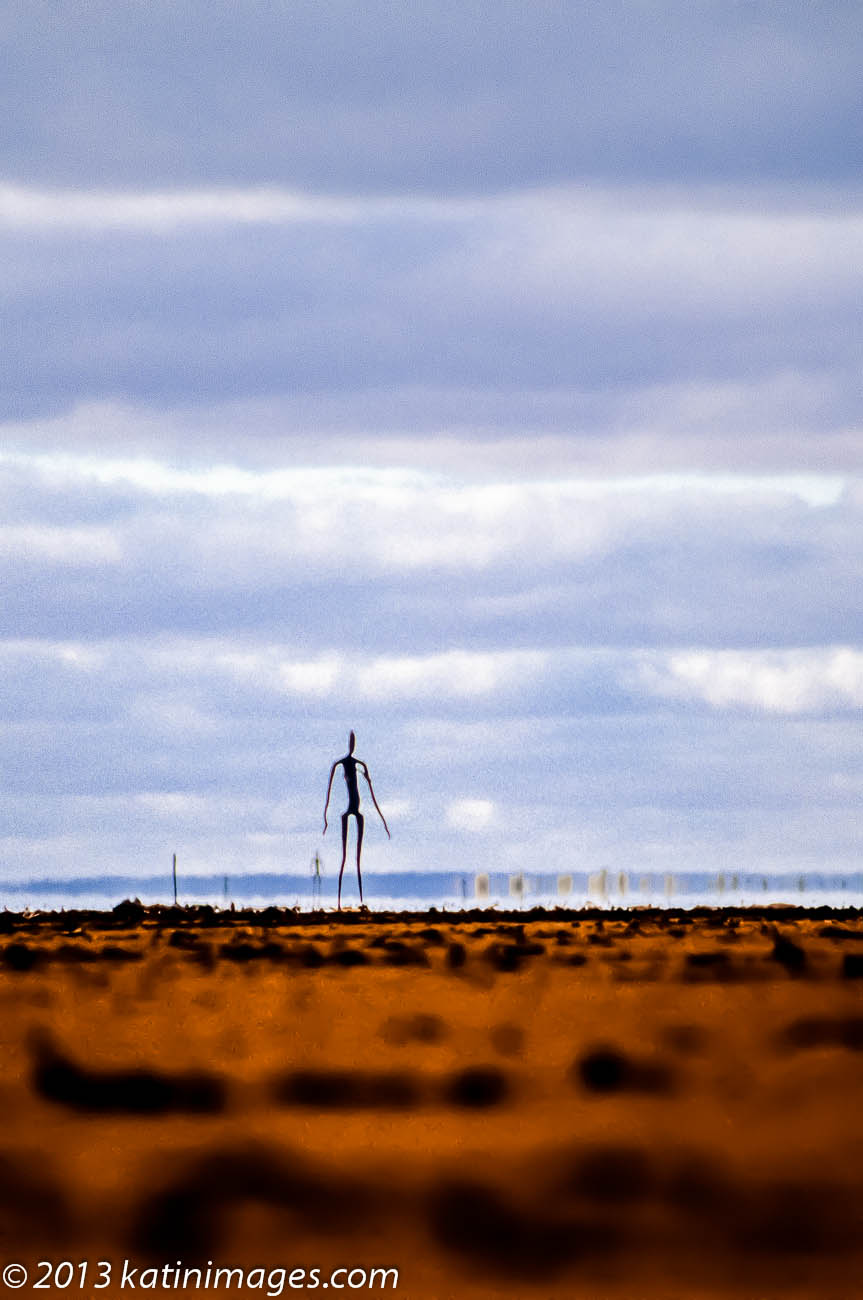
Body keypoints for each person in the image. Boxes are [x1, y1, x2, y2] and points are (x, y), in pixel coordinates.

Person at [323, 731, 390, 910]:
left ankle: (360, 900)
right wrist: (325, 818)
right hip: (349, 810)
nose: (352, 746)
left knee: (357, 858)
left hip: (357, 810)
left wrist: (383, 821)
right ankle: (339, 901)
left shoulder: (360, 764)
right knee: (345, 856)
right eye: (350, 742)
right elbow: (329, 791)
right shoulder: (341, 764)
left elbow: (372, 794)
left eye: (353, 742)